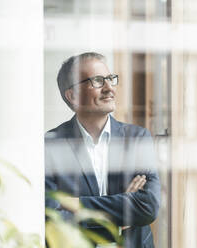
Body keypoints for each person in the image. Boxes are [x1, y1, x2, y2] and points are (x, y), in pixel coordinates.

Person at [45, 52, 160, 248]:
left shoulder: (137, 139)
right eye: (98, 81)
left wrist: (75, 204)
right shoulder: (51, 145)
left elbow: (148, 206)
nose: (109, 88)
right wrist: (120, 216)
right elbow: (51, 217)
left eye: (110, 79)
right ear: (73, 95)